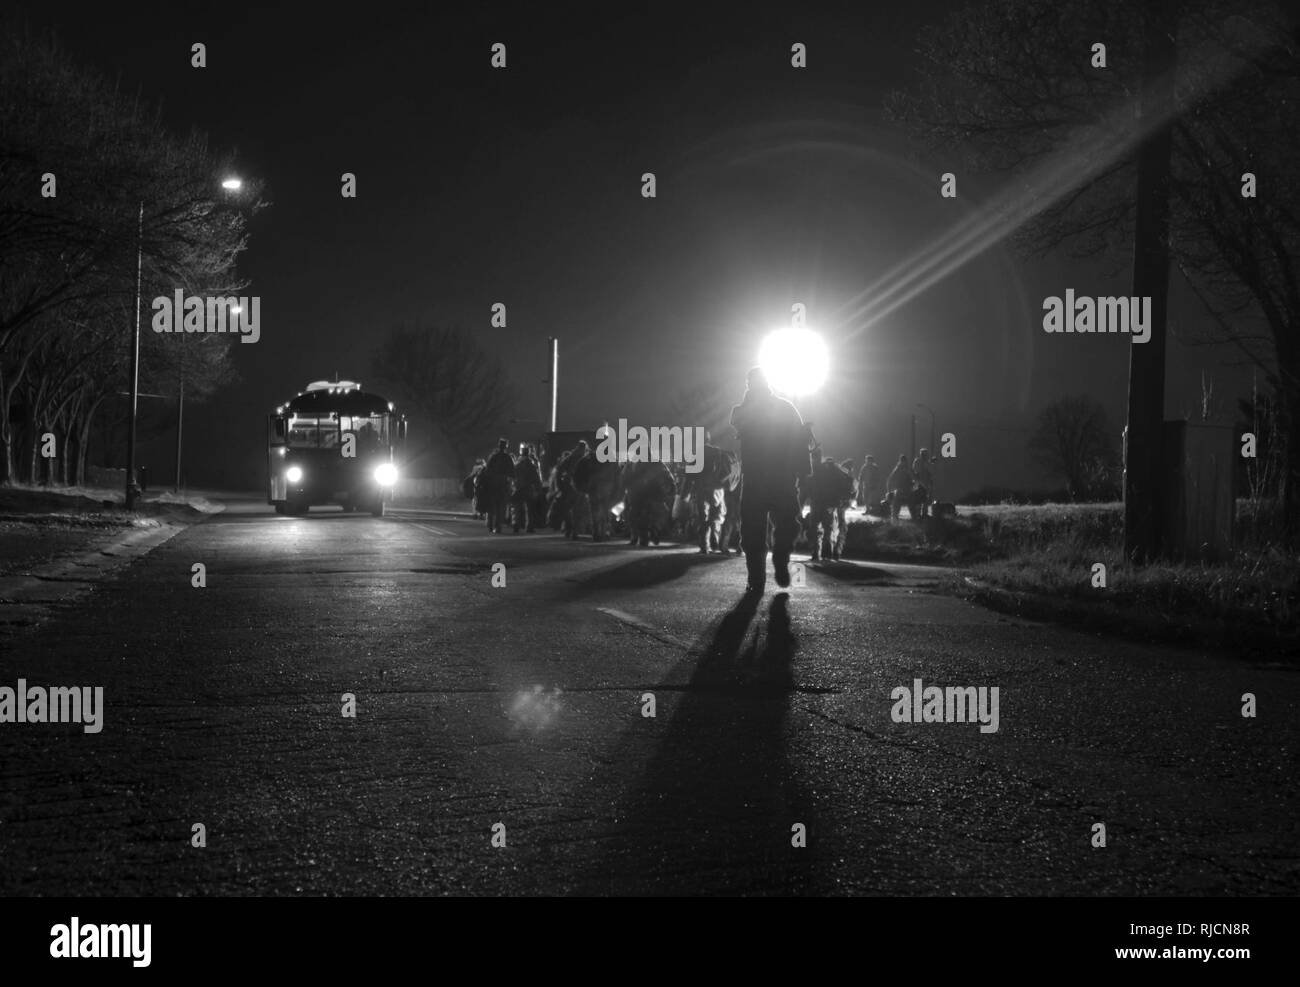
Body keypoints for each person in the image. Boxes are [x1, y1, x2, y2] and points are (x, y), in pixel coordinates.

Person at [729, 367, 813, 594]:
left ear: (750, 384)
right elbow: (802, 438)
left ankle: (758, 579)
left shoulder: (746, 409)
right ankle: (779, 558)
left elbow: (736, 420)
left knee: (753, 533)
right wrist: (803, 472)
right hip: (781, 478)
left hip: (758, 480)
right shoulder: (785, 407)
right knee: (787, 524)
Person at [482, 438, 516, 533]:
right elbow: (513, 473)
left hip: (493, 485)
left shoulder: (493, 457)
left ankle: (490, 524)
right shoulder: (508, 458)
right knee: (501, 506)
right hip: (503, 485)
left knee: (492, 505)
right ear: (506, 447)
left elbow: (487, 470)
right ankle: (498, 526)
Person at [512, 445, 543, 533]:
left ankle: (516, 524)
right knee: (529, 509)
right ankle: (529, 526)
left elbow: (512, 476)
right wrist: (538, 488)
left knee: (516, 507)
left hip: (518, 488)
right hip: (528, 488)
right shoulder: (531, 464)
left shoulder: (517, 464)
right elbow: (536, 477)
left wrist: (513, 486)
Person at [885, 453, 913, 521]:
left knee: (911, 501)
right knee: (897, 501)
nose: (904, 462)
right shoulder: (898, 468)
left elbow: (911, 478)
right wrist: (888, 490)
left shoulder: (906, 468)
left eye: (904, 461)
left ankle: (913, 516)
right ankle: (894, 516)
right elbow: (890, 479)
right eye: (903, 461)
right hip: (900, 489)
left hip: (906, 489)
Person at [912, 448, 934, 519]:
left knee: (925, 500)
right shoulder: (918, 461)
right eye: (925, 454)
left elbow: (930, 473)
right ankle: (918, 515)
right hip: (919, 484)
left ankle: (924, 514)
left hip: (925, 484)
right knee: (919, 500)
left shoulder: (926, 462)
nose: (926, 456)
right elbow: (916, 473)